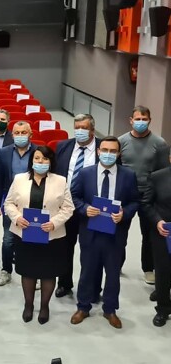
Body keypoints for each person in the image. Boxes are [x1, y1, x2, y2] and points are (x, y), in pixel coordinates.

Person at [70, 137, 139, 329]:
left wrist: (124, 213)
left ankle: (110, 309)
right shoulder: (86, 173)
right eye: (105, 150)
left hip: (115, 233)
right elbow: (73, 196)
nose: (108, 154)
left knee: (113, 273)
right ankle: (83, 306)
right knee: (87, 271)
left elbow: (135, 201)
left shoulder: (128, 175)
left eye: (113, 151)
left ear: (118, 154)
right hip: (90, 231)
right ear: (98, 151)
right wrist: (85, 208)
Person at [3, 145, 74, 324]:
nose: (40, 162)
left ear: (50, 162)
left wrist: (55, 222)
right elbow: (8, 203)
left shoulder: (60, 181)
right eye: (37, 158)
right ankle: (28, 305)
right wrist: (17, 218)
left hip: (51, 235)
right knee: (28, 271)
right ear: (32, 160)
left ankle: (44, 306)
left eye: (44, 159)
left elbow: (68, 208)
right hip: (25, 233)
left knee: (48, 273)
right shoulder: (19, 179)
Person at [118, 106, 170, 285]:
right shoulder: (122, 141)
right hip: (126, 192)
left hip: (148, 194)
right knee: (120, 230)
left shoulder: (159, 143)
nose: (140, 122)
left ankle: (148, 268)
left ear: (150, 120)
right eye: (137, 119)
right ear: (131, 120)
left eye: (144, 119)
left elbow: (163, 171)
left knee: (148, 233)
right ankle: (117, 263)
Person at [53, 114, 101, 298]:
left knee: (92, 250)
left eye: (84, 128)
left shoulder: (103, 148)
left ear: (92, 130)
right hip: (67, 206)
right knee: (65, 247)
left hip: (92, 208)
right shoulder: (63, 146)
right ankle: (64, 283)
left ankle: (92, 288)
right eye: (77, 127)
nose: (80, 131)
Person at [0, 121, 38, 287]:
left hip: (32, 200)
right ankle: (6, 270)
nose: (20, 136)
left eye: (23, 132)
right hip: (10, 201)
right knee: (8, 239)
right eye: (17, 133)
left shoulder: (38, 152)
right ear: (12, 135)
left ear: (30, 134)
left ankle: (33, 272)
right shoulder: (4, 152)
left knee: (31, 239)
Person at [143, 158, 171, 327]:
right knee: (163, 270)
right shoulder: (157, 177)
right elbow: (146, 204)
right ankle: (163, 308)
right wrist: (157, 221)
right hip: (163, 232)